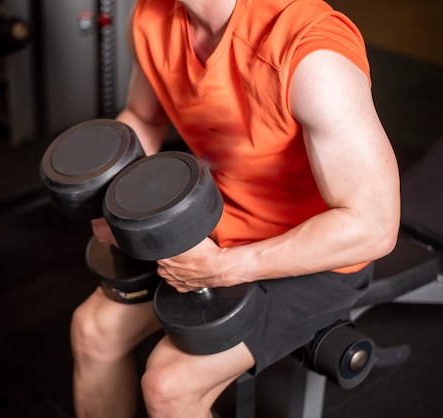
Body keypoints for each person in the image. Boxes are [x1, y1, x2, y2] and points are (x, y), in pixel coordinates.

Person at [71, 0, 400, 417]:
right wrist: (112, 196)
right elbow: (143, 116)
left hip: (316, 255)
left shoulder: (311, 55)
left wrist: (225, 267)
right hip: (211, 223)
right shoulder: (153, 17)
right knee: (93, 330)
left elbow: (372, 226)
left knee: (168, 385)